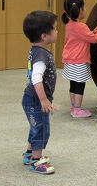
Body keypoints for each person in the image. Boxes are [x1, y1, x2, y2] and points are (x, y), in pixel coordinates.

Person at [22, 11, 58, 174]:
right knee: (41, 128)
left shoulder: (36, 50)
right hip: (36, 99)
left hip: (31, 98)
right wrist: (43, 100)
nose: (57, 32)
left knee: (35, 126)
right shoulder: (41, 55)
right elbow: (36, 77)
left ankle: (29, 153)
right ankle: (36, 161)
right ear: (44, 36)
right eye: (55, 29)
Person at [62, 0, 97, 118]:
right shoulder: (81, 27)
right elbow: (94, 39)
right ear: (80, 10)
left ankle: (74, 106)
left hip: (69, 60)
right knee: (80, 85)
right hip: (79, 61)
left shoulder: (70, 24)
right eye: (84, 7)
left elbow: (82, 36)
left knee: (73, 84)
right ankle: (77, 110)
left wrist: (92, 31)